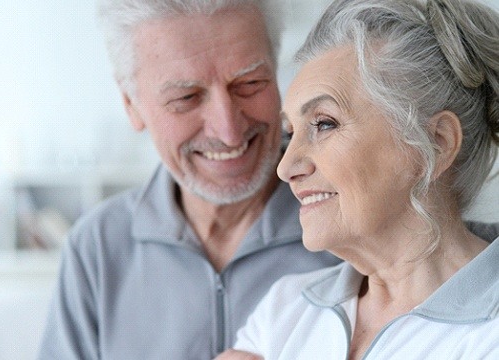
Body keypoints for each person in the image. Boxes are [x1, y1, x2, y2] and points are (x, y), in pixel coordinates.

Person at [37, 1, 347, 359]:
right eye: (186, 97)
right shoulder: (96, 250)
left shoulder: (349, 223)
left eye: (249, 83)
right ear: (131, 106)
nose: (229, 131)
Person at [218, 0, 499, 359]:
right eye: (292, 132)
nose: (286, 167)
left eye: (323, 123)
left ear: (436, 143)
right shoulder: (285, 309)